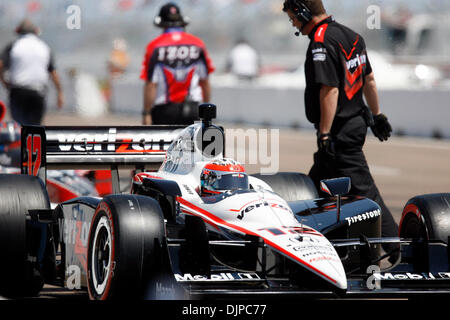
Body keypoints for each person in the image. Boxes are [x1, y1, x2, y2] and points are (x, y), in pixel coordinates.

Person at [282, 0, 399, 263]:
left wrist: (324, 134)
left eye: (293, 18)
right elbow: (368, 79)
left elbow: (330, 89)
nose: (293, 24)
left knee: (365, 191)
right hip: (355, 123)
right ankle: (320, 252)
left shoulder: (321, 41)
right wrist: (377, 115)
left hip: (340, 132)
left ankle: (396, 251)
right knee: (315, 187)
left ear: (303, 12)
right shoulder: (352, 35)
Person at [140, 2, 215, 125]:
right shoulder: (198, 44)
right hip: (193, 109)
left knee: (166, 144)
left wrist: (146, 113)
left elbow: (151, 85)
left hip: (164, 111)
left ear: (161, 24)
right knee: (193, 144)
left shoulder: (155, 46)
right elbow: (205, 81)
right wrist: (207, 112)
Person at [0, 19, 64, 126]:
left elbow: (1, 65)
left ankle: (21, 142)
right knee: (35, 128)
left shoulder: (14, 46)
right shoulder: (44, 47)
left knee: (19, 126)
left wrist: (4, 82)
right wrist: (60, 93)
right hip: (38, 92)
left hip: (18, 92)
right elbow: (53, 73)